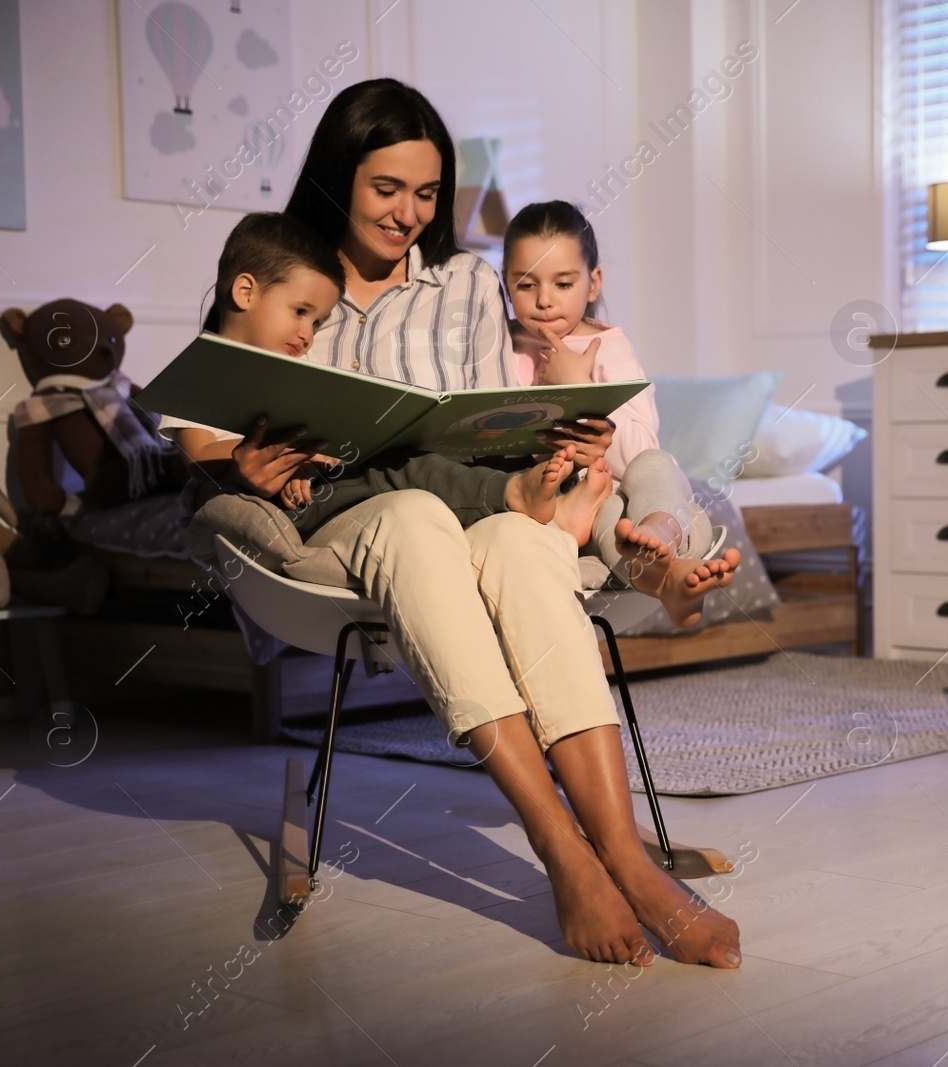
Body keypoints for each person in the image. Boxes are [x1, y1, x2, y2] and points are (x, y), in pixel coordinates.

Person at [223, 79, 741, 968]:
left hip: (471, 494)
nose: (409, 214)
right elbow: (225, 402)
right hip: (357, 516)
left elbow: (488, 422)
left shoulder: (466, 280)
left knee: (520, 540)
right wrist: (242, 465)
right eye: (388, 189)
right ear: (340, 176)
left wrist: (558, 436)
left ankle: (620, 850)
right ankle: (560, 848)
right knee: (418, 515)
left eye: (428, 194)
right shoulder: (289, 279)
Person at [161, 211, 574, 531]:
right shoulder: (203, 371)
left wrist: (308, 458)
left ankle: (548, 489)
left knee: (407, 463)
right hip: (287, 503)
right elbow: (196, 455)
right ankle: (513, 493)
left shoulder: (301, 366)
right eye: (300, 313)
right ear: (246, 291)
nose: (307, 334)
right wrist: (274, 457)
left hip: (323, 482)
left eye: (317, 322)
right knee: (404, 468)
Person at [503, 200, 739, 628]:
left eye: (562, 283)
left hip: (615, 494)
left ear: (593, 283)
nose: (543, 301)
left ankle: (662, 544)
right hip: (558, 502)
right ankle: (666, 567)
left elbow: (637, 453)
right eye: (525, 285)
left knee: (656, 471)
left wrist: (583, 388)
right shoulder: (505, 347)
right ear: (506, 283)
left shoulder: (610, 348)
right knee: (624, 519)